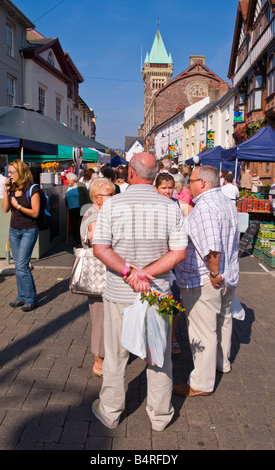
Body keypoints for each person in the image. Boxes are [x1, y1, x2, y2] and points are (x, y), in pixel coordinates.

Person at [91, 152, 188, 431]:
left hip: (121, 292)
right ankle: (159, 415)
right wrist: (148, 273)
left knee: (116, 355)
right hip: (157, 293)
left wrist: (131, 273)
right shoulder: (171, 206)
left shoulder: (112, 205)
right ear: (155, 175)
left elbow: (100, 249)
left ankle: (110, 411)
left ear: (130, 174)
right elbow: (179, 252)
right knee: (158, 355)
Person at [173, 165, 239, 397]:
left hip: (206, 279)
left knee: (203, 329)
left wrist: (213, 273)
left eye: (190, 181)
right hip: (227, 275)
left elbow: (212, 248)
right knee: (222, 321)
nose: (188, 185)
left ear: (202, 183)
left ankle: (201, 382)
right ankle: (221, 363)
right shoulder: (226, 202)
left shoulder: (205, 207)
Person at [80, 178, 115, 378]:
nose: (114, 197)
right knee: (100, 319)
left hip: (104, 275)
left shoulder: (100, 213)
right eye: (110, 195)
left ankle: (103, 358)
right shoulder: (94, 218)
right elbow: (98, 248)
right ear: (98, 198)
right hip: (99, 276)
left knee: (104, 318)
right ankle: (98, 363)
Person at [154, 172, 187, 356]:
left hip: (173, 260)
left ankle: (172, 337)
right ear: (156, 189)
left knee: (173, 299)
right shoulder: (151, 205)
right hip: (154, 257)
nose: (167, 191)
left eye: (170, 188)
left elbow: (193, 214)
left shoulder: (178, 205)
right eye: (163, 188)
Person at [2, 160, 41, 312]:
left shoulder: (33, 189)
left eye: (12, 172)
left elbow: (35, 213)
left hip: (28, 231)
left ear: (21, 172)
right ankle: (21, 297)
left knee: (22, 266)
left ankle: (31, 298)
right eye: (8, 172)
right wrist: (6, 191)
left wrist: (18, 206)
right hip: (14, 230)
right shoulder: (12, 188)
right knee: (18, 266)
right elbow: (5, 209)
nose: (9, 175)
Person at [65, 172, 91, 245]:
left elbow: (86, 196)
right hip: (71, 208)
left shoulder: (80, 185)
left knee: (83, 224)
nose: (67, 181)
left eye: (68, 180)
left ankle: (85, 239)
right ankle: (76, 240)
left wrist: (88, 207)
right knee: (74, 225)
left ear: (72, 179)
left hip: (81, 207)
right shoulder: (67, 187)